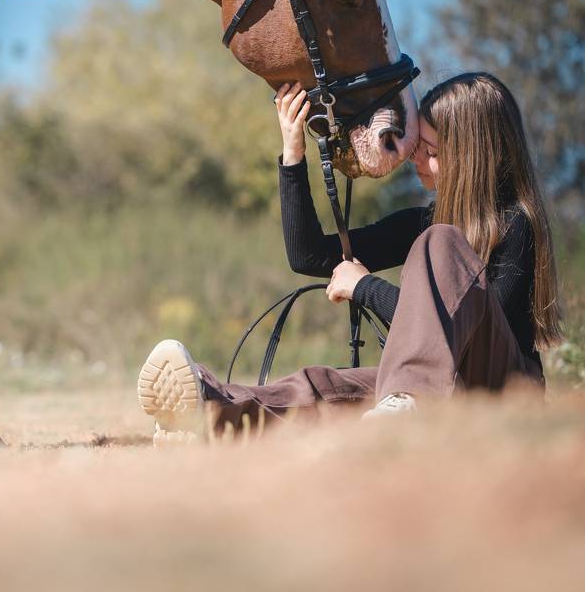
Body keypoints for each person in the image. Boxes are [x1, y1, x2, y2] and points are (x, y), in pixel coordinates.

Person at [136, 72, 559, 443]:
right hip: (442, 390)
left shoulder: (514, 225)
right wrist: (293, 154)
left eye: (430, 149)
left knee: (440, 241)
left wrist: (365, 288)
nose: (414, 156)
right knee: (326, 387)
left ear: (471, 158)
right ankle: (210, 410)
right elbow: (310, 255)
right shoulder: (425, 221)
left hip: (504, 394)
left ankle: (406, 401)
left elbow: (464, 333)